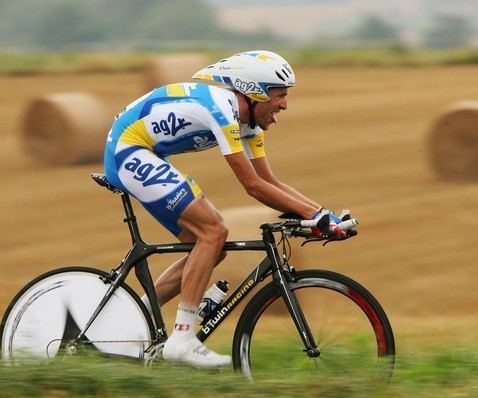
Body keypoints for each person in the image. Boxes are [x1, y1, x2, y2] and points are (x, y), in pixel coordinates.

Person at [104, 50, 344, 369]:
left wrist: (322, 214)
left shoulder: (250, 124)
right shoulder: (221, 109)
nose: (285, 104)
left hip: (147, 152)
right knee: (213, 232)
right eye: (280, 95)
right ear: (255, 92)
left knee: (209, 248)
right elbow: (253, 187)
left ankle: (135, 321)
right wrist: (314, 217)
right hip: (128, 150)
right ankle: (183, 338)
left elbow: (268, 180)